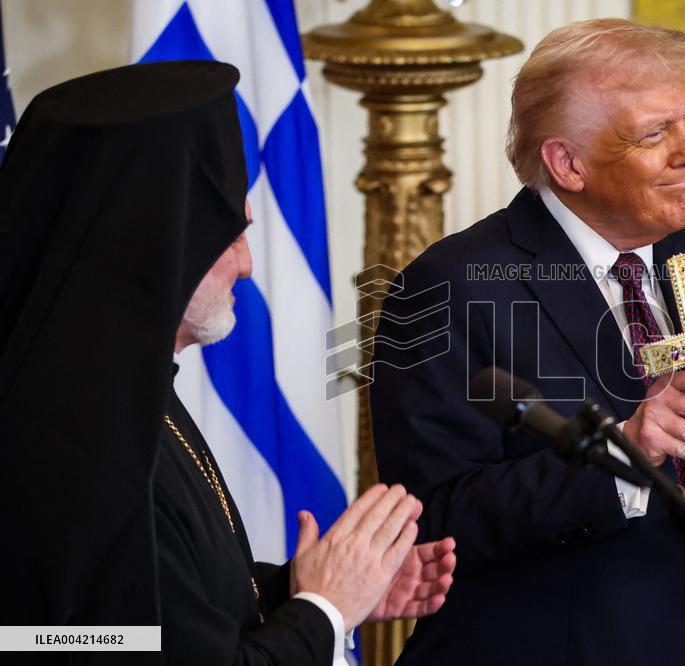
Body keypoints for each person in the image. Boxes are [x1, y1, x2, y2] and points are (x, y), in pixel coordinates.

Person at [370, 19, 685, 665]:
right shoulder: (447, 287)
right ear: (568, 163)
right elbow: (434, 519)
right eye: (655, 134)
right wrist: (625, 452)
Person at [0, 60, 455, 665]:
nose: (246, 264)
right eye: (231, 236)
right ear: (159, 244)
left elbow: (152, 625)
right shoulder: (72, 442)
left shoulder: (114, 388)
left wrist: (302, 593)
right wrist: (324, 612)